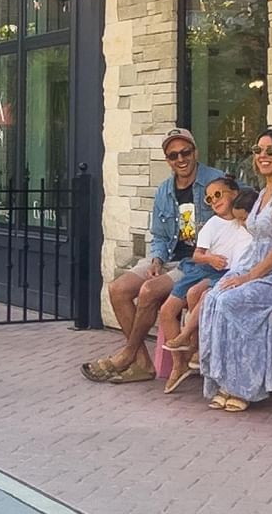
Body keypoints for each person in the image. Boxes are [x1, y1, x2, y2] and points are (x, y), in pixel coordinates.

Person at [81, 128, 224, 384]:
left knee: (148, 291)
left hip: (196, 262)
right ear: (167, 159)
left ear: (195, 152)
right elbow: (158, 235)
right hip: (168, 255)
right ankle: (143, 363)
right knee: (118, 289)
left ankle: (127, 356)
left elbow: (243, 208)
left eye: (185, 152)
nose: (180, 159)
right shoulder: (164, 191)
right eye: (173, 155)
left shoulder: (216, 181)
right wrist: (156, 259)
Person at [198, 129, 272, 412]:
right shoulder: (262, 193)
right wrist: (241, 274)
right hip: (256, 269)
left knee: (233, 301)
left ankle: (244, 386)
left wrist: (248, 277)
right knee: (214, 297)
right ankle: (224, 379)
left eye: (270, 151)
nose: (262, 156)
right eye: (257, 150)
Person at [157, 180, 256, 394]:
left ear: (234, 193)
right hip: (202, 269)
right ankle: (179, 363)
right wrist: (210, 258)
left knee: (195, 294)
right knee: (166, 311)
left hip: (223, 274)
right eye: (209, 199)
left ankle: (195, 349)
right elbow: (197, 255)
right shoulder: (213, 223)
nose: (214, 201)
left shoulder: (245, 222)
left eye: (218, 194)